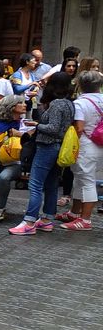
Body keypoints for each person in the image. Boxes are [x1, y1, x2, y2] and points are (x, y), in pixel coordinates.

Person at [9, 72, 76, 235]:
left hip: (47, 146)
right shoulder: (69, 104)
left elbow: (53, 128)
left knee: (35, 184)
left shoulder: (57, 104)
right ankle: (47, 219)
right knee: (51, 184)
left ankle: (29, 220)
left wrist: (36, 125)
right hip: (59, 147)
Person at [56, 70, 103, 230]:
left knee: (87, 181)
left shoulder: (80, 103)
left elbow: (79, 127)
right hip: (100, 144)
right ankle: (75, 212)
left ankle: (85, 220)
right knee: (80, 179)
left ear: (81, 85)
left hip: (85, 145)